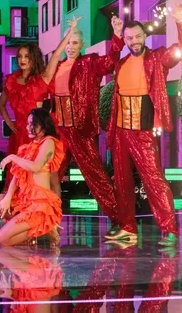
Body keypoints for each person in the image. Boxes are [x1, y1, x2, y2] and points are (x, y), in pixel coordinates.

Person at [104, 0, 182, 248]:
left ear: (145, 36)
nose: (134, 41)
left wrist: (180, 20)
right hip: (120, 130)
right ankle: (127, 228)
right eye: (129, 38)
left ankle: (170, 230)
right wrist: (116, 36)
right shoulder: (120, 64)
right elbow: (109, 61)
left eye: (138, 36)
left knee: (154, 179)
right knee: (121, 181)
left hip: (143, 131)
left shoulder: (157, 58)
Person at [0, 17, 81, 239]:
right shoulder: (11, 81)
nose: (22, 60)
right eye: (19, 56)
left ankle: (52, 225)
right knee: (11, 182)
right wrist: (10, 123)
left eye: (27, 56)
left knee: (50, 181)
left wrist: (70, 32)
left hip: (39, 137)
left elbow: (56, 56)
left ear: (34, 58)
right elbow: (1, 104)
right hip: (20, 136)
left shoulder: (42, 79)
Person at [49, 16, 124, 235]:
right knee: (50, 175)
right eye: (68, 42)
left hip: (80, 129)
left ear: (82, 45)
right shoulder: (58, 66)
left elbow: (109, 62)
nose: (70, 47)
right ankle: (43, 220)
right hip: (60, 130)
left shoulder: (89, 63)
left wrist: (116, 35)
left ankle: (120, 219)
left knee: (96, 175)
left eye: (75, 43)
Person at [0, 108, 64, 247]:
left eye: (33, 124)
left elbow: (36, 166)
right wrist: (8, 197)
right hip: (25, 200)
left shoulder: (48, 142)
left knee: (1, 239)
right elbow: (18, 174)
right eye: (28, 124)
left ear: (44, 125)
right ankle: (40, 228)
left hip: (39, 205)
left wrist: (13, 157)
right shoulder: (29, 146)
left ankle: (45, 226)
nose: (29, 127)